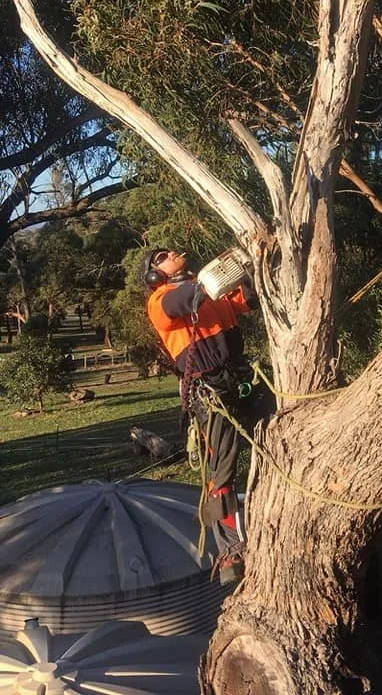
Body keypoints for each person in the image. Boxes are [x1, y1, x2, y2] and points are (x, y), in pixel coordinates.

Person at [141, 247, 259, 584]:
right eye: (164, 255)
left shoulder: (210, 291)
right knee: (221, 469)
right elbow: (191, 297)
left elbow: (244, 301)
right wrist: (231, 265)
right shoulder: (161, 300)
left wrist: (253, 267)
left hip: (239, 378)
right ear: (153, 273)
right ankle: (230, 552)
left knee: (278, 436)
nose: (174, 253)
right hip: (209, 391)